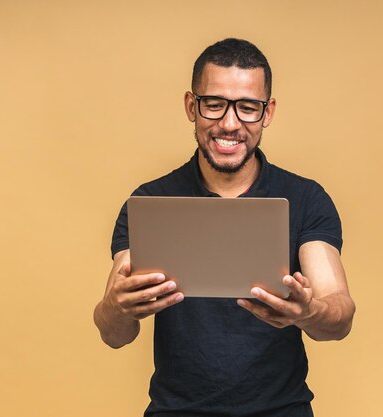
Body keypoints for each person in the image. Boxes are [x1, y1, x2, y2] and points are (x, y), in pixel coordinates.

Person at [93, 38, 356, 417]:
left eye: (248, 108)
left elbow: (340, 314)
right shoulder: (151, 203)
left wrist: (308, 311)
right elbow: (113, 333)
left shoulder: (305, 199)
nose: (229, 124)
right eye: (214, 104)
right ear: (191, 106)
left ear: (268, 113)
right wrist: (117, 308)